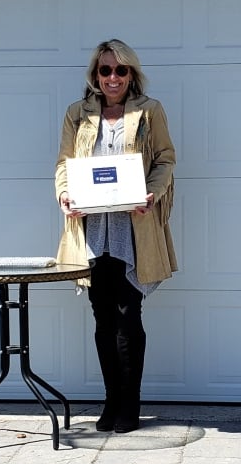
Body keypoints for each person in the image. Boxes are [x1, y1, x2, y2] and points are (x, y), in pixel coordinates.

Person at [54, 39, 176, 434]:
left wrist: (151, 194)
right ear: (95, 75)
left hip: (132, 230)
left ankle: (130, 406)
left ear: (132, 74)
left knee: (129, 316)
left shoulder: (149, 111)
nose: (112, 78)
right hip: (92, 232)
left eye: (120, 70)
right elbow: (64, 163)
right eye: (105, 70)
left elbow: (165, 159)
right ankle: (110, 403)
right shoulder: (78, 114)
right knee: (103, 319)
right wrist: (65, 194)